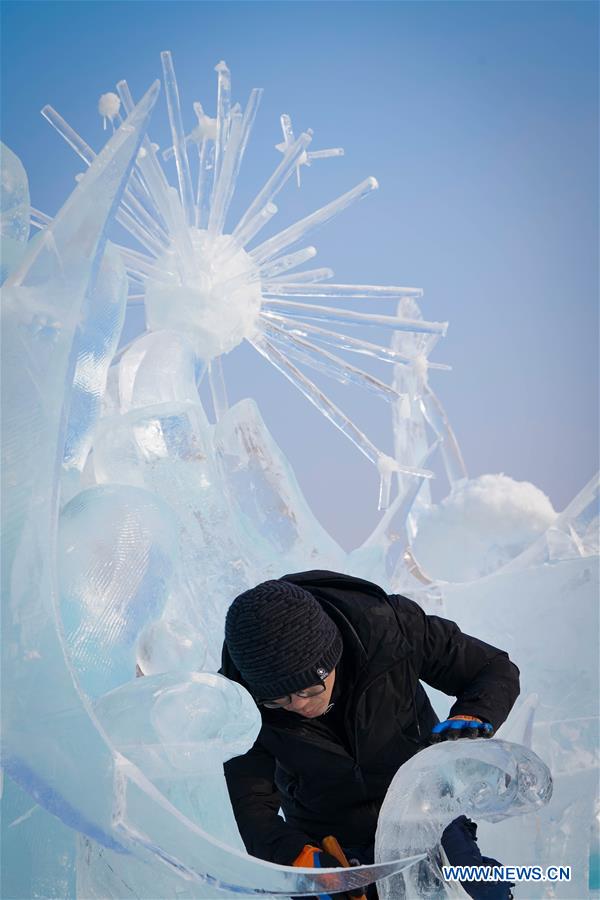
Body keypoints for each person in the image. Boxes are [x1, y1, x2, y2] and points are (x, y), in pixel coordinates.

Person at [220, 570, 519, 899]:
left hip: (423, 812)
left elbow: (491, 668)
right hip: (330, 839)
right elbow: (252, 808)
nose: (297, 706)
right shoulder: (240, 703)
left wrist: (473, 714)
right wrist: (300, 858)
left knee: (472, 890)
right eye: (279, 699)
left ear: (331, 657)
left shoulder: (390, 628)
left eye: (308, 689)